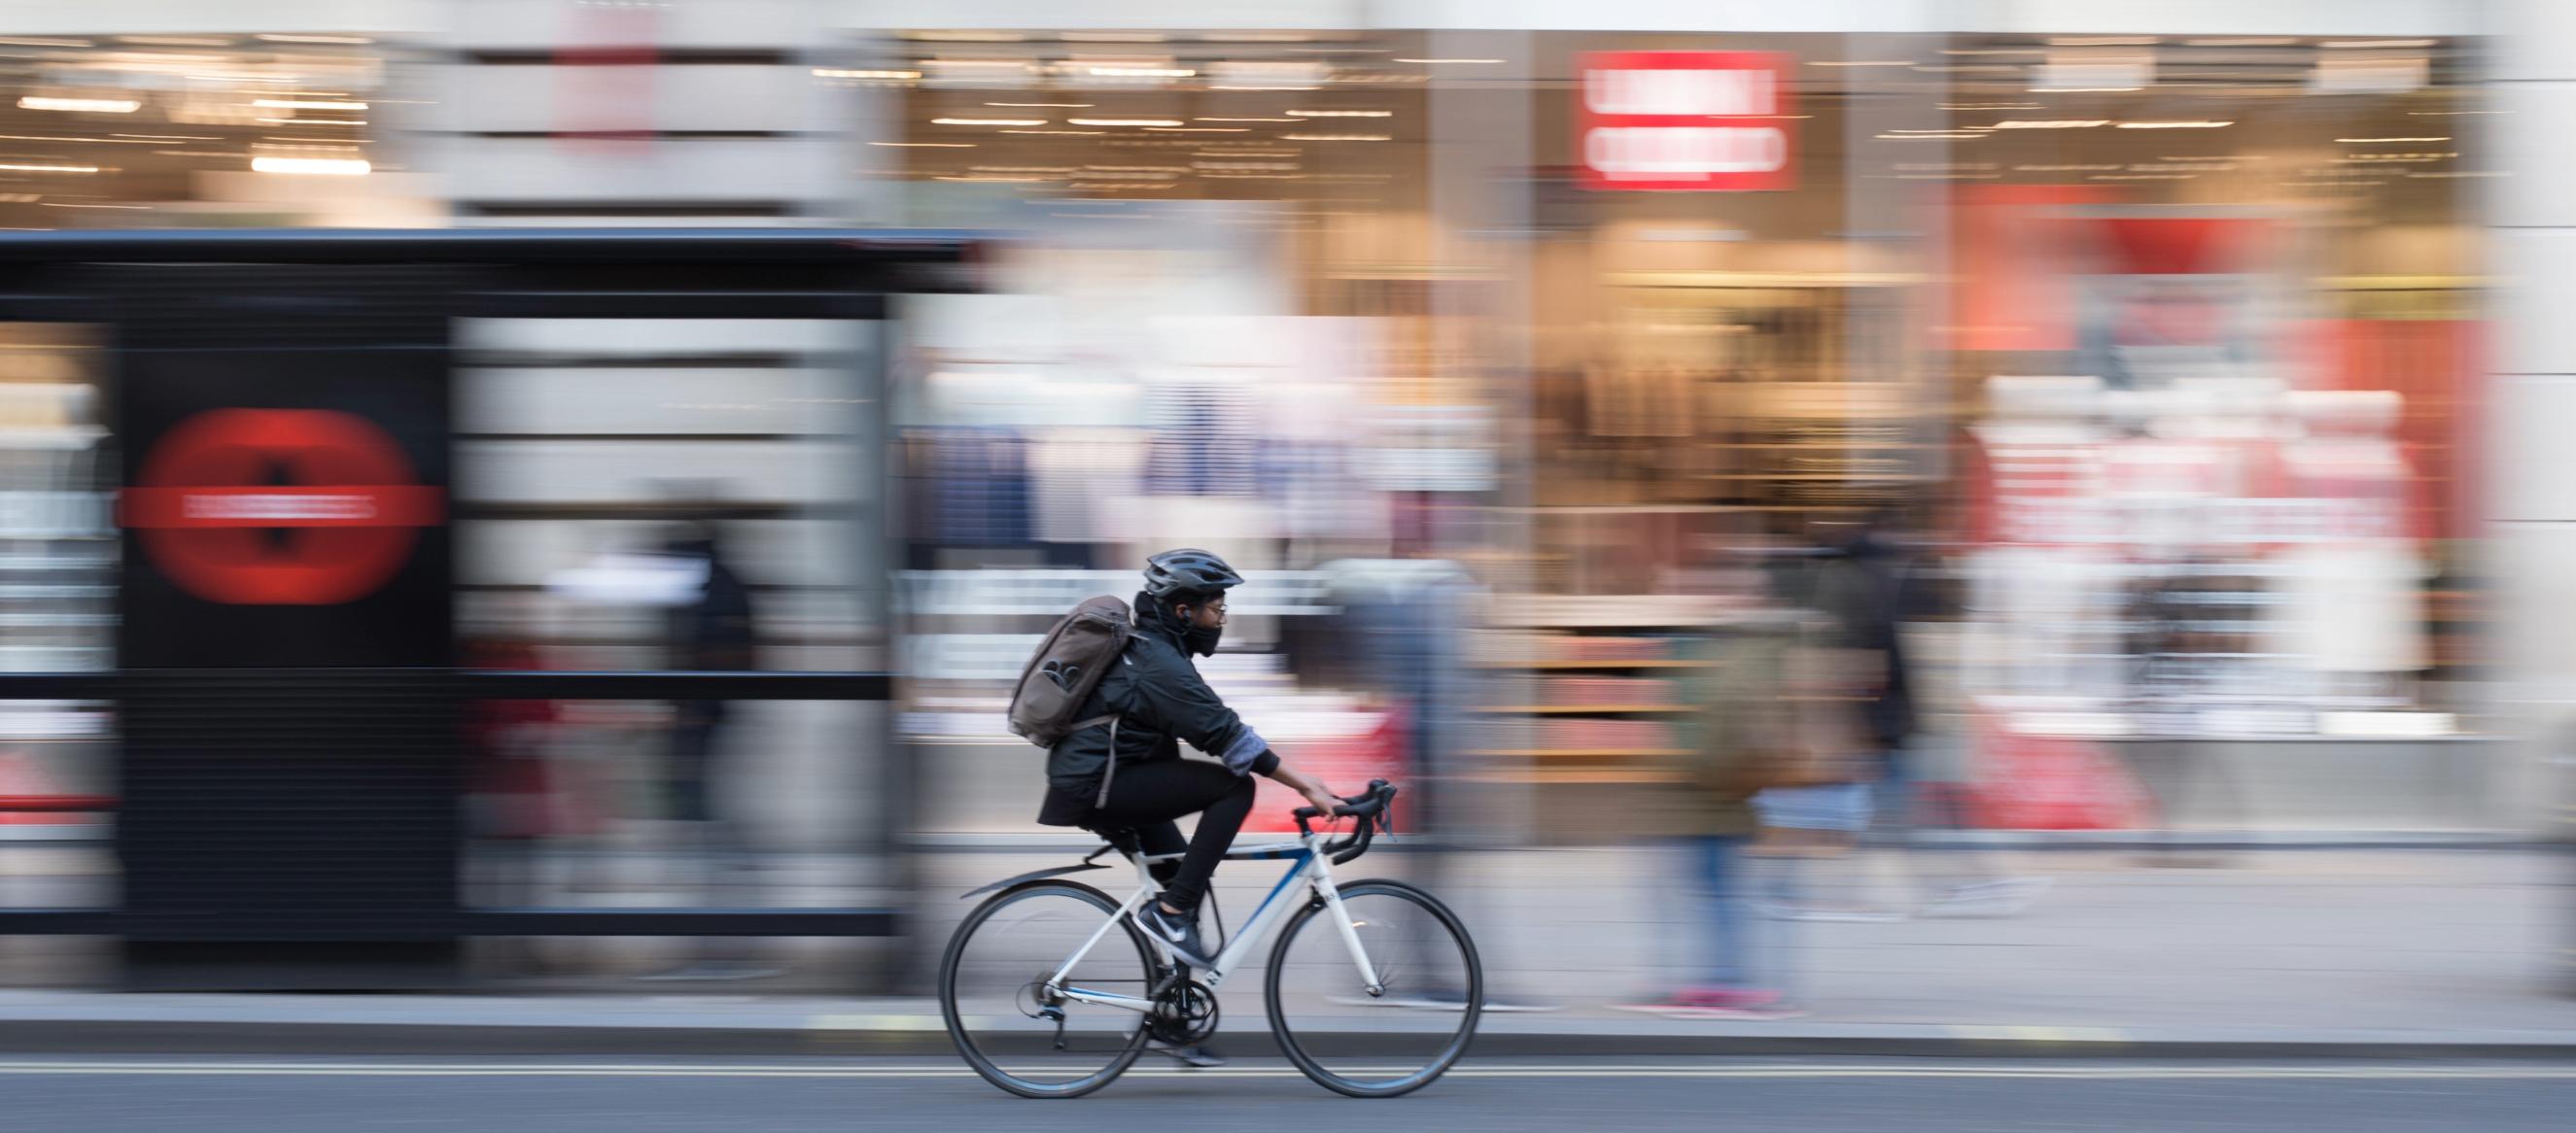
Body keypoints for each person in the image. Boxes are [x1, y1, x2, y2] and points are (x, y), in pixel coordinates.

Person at [1038, 549, 1341, 977]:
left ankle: (1173, 1021)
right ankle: (1171, 914)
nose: (1222, 618)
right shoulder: (1155, 663)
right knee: (1234, 788)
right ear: (1184, 611)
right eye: (1216, 608)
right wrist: (1303, 784)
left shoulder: (1155, 652)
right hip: (1097, 785)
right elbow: (1226, 735)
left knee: (1186, 883)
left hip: (1104, 781)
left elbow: (1210, 726)